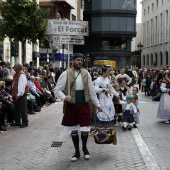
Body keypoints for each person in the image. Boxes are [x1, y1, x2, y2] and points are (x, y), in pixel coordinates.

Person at [54, 53, 101, 162]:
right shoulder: (65, 74)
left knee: (85, 130)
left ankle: (85, 149)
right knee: (74, 131)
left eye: (81, 60)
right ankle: (77, 152)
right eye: (78, 60)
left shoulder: (86, 73)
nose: (80, 62)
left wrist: (98, 105)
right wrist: (65, 97)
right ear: (73, 61)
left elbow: (92, 91)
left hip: (84, 104)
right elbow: (57, 90)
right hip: (71, 106)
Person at [11, 63, 29, 128]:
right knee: (17, 109)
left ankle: (25, 122)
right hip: (16, 94)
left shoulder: (21, 75)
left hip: (21, 95)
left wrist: (19, 94)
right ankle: (17, 121)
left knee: (22, 109)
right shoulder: (16, 74)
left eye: (15, 67)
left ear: (18, 68)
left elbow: (22, 86)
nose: (14, 68)